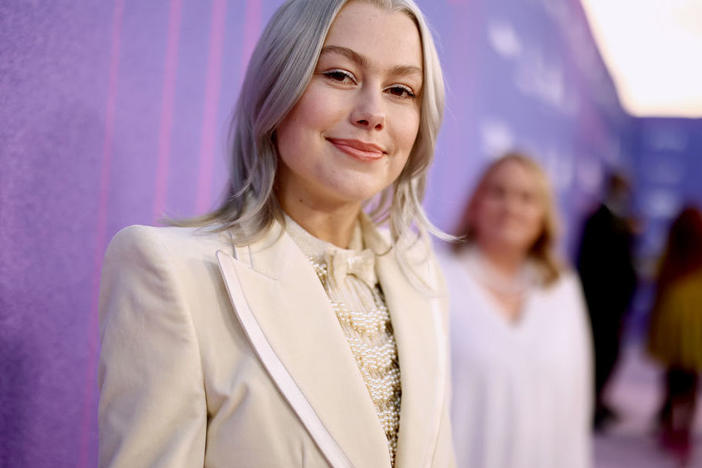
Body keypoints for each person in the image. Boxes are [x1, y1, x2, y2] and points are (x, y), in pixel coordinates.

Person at [98, 1, 455, 467]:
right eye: (340, 75)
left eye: (401, 89)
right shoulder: (170, 274)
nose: (373, 113)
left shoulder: (421, 279)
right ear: (278, 85)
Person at [440, 153, 593, 468]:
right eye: (498, 192)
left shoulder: (561, 287)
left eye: (527, 197)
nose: (511, 207)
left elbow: (577, 401)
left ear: (544, 215)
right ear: (475, 204)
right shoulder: (436, 278)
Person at [576, 171, 638, 429]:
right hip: (600, 305)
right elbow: (592, 264)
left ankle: (599, 403)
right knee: (599, 358)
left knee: (610, 357)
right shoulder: (598, 219)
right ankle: (590, 409)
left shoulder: (620, 219)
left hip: (614, 306)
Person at [647, 205, 702, 463]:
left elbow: (658, 278)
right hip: (694, 324)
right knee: (690, 382)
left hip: (674, 318)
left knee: (673, 378)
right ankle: (682, 432)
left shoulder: (672, 253)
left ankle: (670, 426)